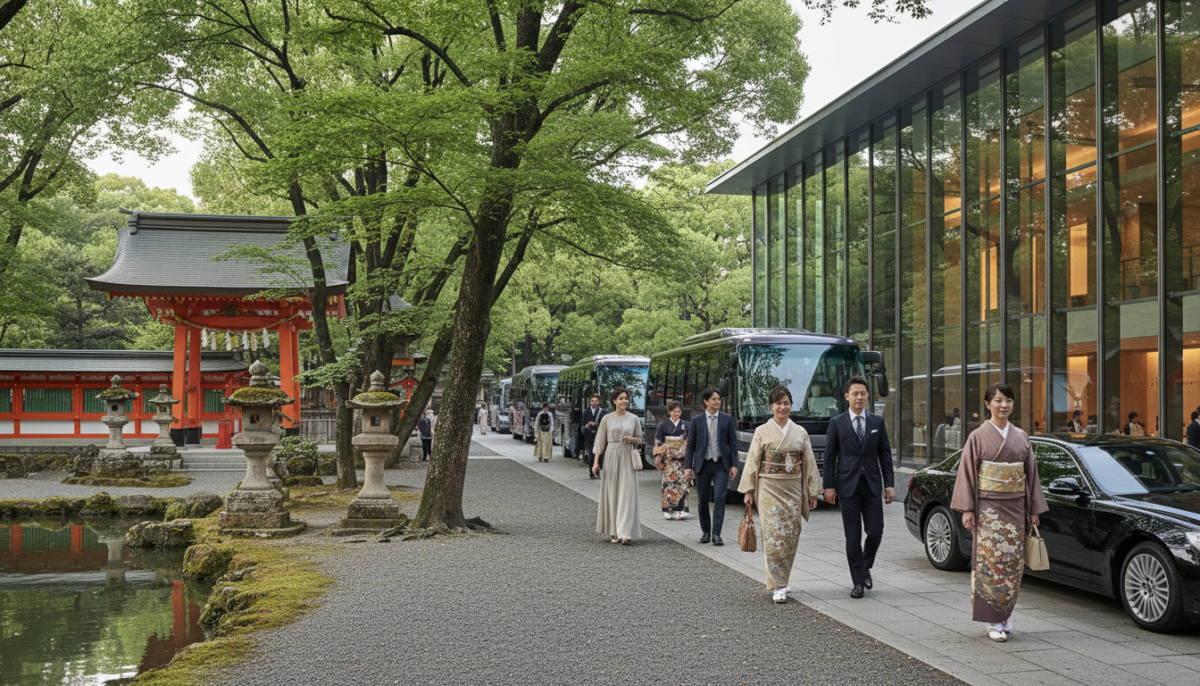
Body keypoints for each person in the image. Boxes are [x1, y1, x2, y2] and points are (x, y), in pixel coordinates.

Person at [951, 382, 1048, 643]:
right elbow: (968, 474)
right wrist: (968, 509)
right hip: (989, 509)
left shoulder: (1022, 436)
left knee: (1012, 565)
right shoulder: (978, 437)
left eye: (1008, 400)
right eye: (997, 400)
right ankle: (992, 620)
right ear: (987, 404)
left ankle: (1004, 615)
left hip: (1016, 509)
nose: (1003, 405)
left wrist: (1033, 510)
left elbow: (1031, 476)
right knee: (990, 564)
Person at [739, 386, 821, 603]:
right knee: (773, 535)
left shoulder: (800, 432)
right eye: (778, 403)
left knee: (791, 534)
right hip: (769, 488)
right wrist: (749, 490)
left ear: (791, 405)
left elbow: (809, 463)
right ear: (771, 406)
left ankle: (783, 577)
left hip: (792, 487)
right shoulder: (761, 431)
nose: (782, 407)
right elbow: (753, 461)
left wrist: (813, 491)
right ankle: (779, 585)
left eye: (786, 403)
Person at [823, 375, 894, 599]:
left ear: (867, 396)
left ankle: (865, 565)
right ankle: (857, 582)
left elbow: (885, 455)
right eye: (855, 393)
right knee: (852, 537)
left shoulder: (877, 422)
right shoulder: (836, 423)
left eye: (863, 393)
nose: (860, 397)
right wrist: (829, 487)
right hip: (847, 487)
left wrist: (889, 484)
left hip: (872, 485)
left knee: (875, 531)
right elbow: (829, 456)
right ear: (847, 397)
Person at [684, 387, 739, 546]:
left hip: (721, 464)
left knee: (720, 498)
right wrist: (688, 466)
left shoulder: (727, 419)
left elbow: (733, 444)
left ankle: (717, 534)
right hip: (703, 464)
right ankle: (706, 532)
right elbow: (691, 445)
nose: (717, 402)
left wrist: (734, 465)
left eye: (719, 399)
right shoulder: (696, 420)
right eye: (714, 399)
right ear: (706, 401)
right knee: (702, 500)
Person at [594, 387, 643, 544]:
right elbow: (600, 441)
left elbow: (640, 439)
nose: (624, 401)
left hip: (627, 456)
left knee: (626, 493)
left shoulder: (634, 418)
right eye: (621, 398)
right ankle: (613, 530)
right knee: (612, 492)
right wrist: (596, 462)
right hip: (611, 455)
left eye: (626, 398)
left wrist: (632, 440)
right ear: (614, 401)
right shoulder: (606, 419)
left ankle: (626, 532)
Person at [654, 400, 690, 520]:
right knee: (668, 484)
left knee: (682, 484)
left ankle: (681, 509)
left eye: (678, 411)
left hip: (681, 460)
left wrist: (683, 446)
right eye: (674, 411)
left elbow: (689, 441)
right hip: (668, 460)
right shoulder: (662, 425)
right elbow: (657, 444)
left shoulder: (686, 425)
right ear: (669, 411)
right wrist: (664, 449)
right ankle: (667, 509)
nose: (676, 414)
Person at [581, 394, 607, 479]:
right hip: (589, 436)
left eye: (596, 401)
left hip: (600, 435)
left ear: (598, 402)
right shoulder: (586, 411)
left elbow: (606, 423)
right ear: (590, 402)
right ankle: (593, 473)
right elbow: (582, 424)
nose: (594, 403)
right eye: (592, 401)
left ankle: (598, 470)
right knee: (591, 455)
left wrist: (597, 424)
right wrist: (587, 425)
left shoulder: (603, 412)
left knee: (600, 454)